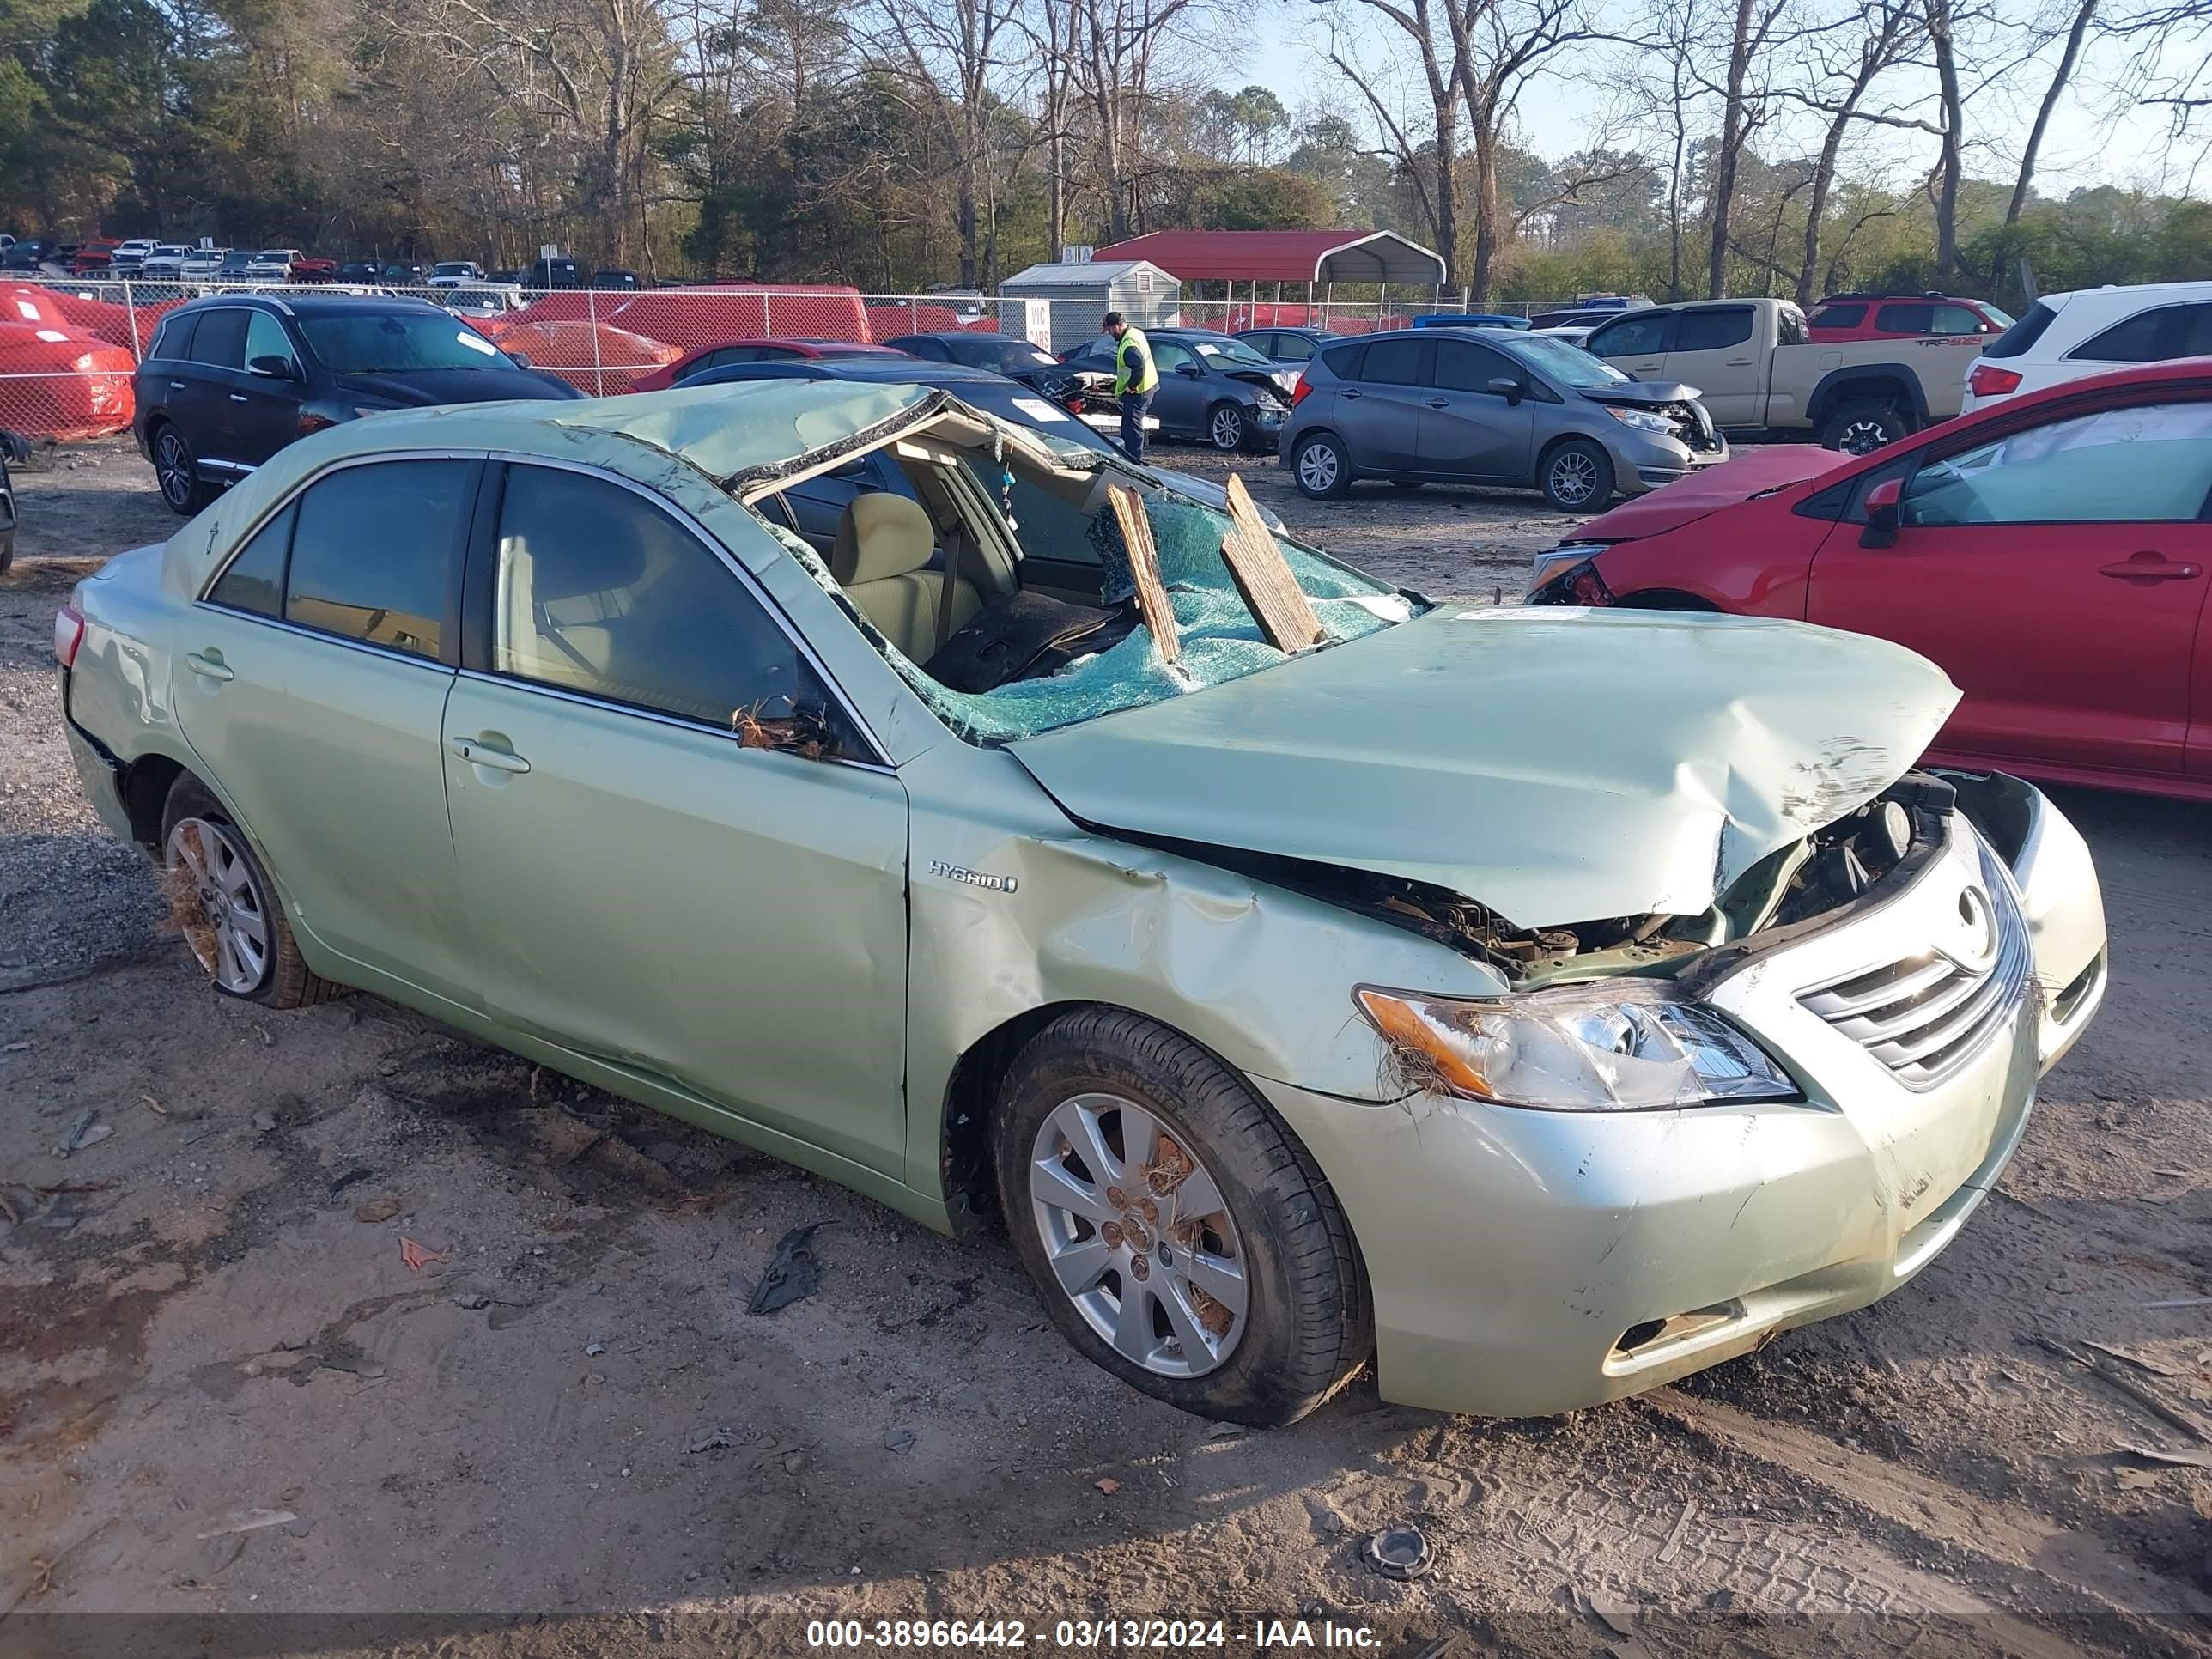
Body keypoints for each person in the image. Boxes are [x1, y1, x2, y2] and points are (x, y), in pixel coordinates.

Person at [1103, 312, 1157, 463]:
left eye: (1110, 330)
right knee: (1130, 426)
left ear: (1117, 326)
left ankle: (1134, 462)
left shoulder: (1128, 344)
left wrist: (1131, 386)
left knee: (1132, 429)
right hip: (1148, 386)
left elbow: (1139, 366)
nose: (1110, 334)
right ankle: (1132, 457)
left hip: (1138, 391)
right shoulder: (1136, 333)